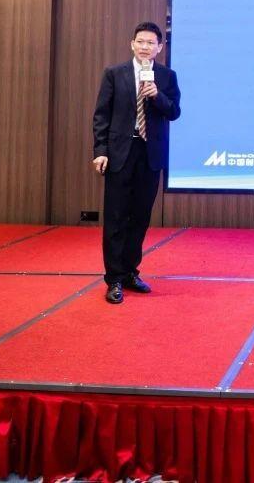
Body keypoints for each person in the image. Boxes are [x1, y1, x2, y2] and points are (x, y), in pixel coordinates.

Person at [92, 21, 181, 304]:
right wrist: (100, 150)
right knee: (116, 217)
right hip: (120, 152)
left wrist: (157, 95)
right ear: (132, 44)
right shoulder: (114, 74)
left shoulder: (166, 76)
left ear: (159, 47)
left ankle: (131, 272)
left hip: (150, 154)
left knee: (140, 217)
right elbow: (101, 116)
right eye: (140, 42)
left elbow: (174, 112)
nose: (145, 47)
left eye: (151, 43)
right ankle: (114, 279)